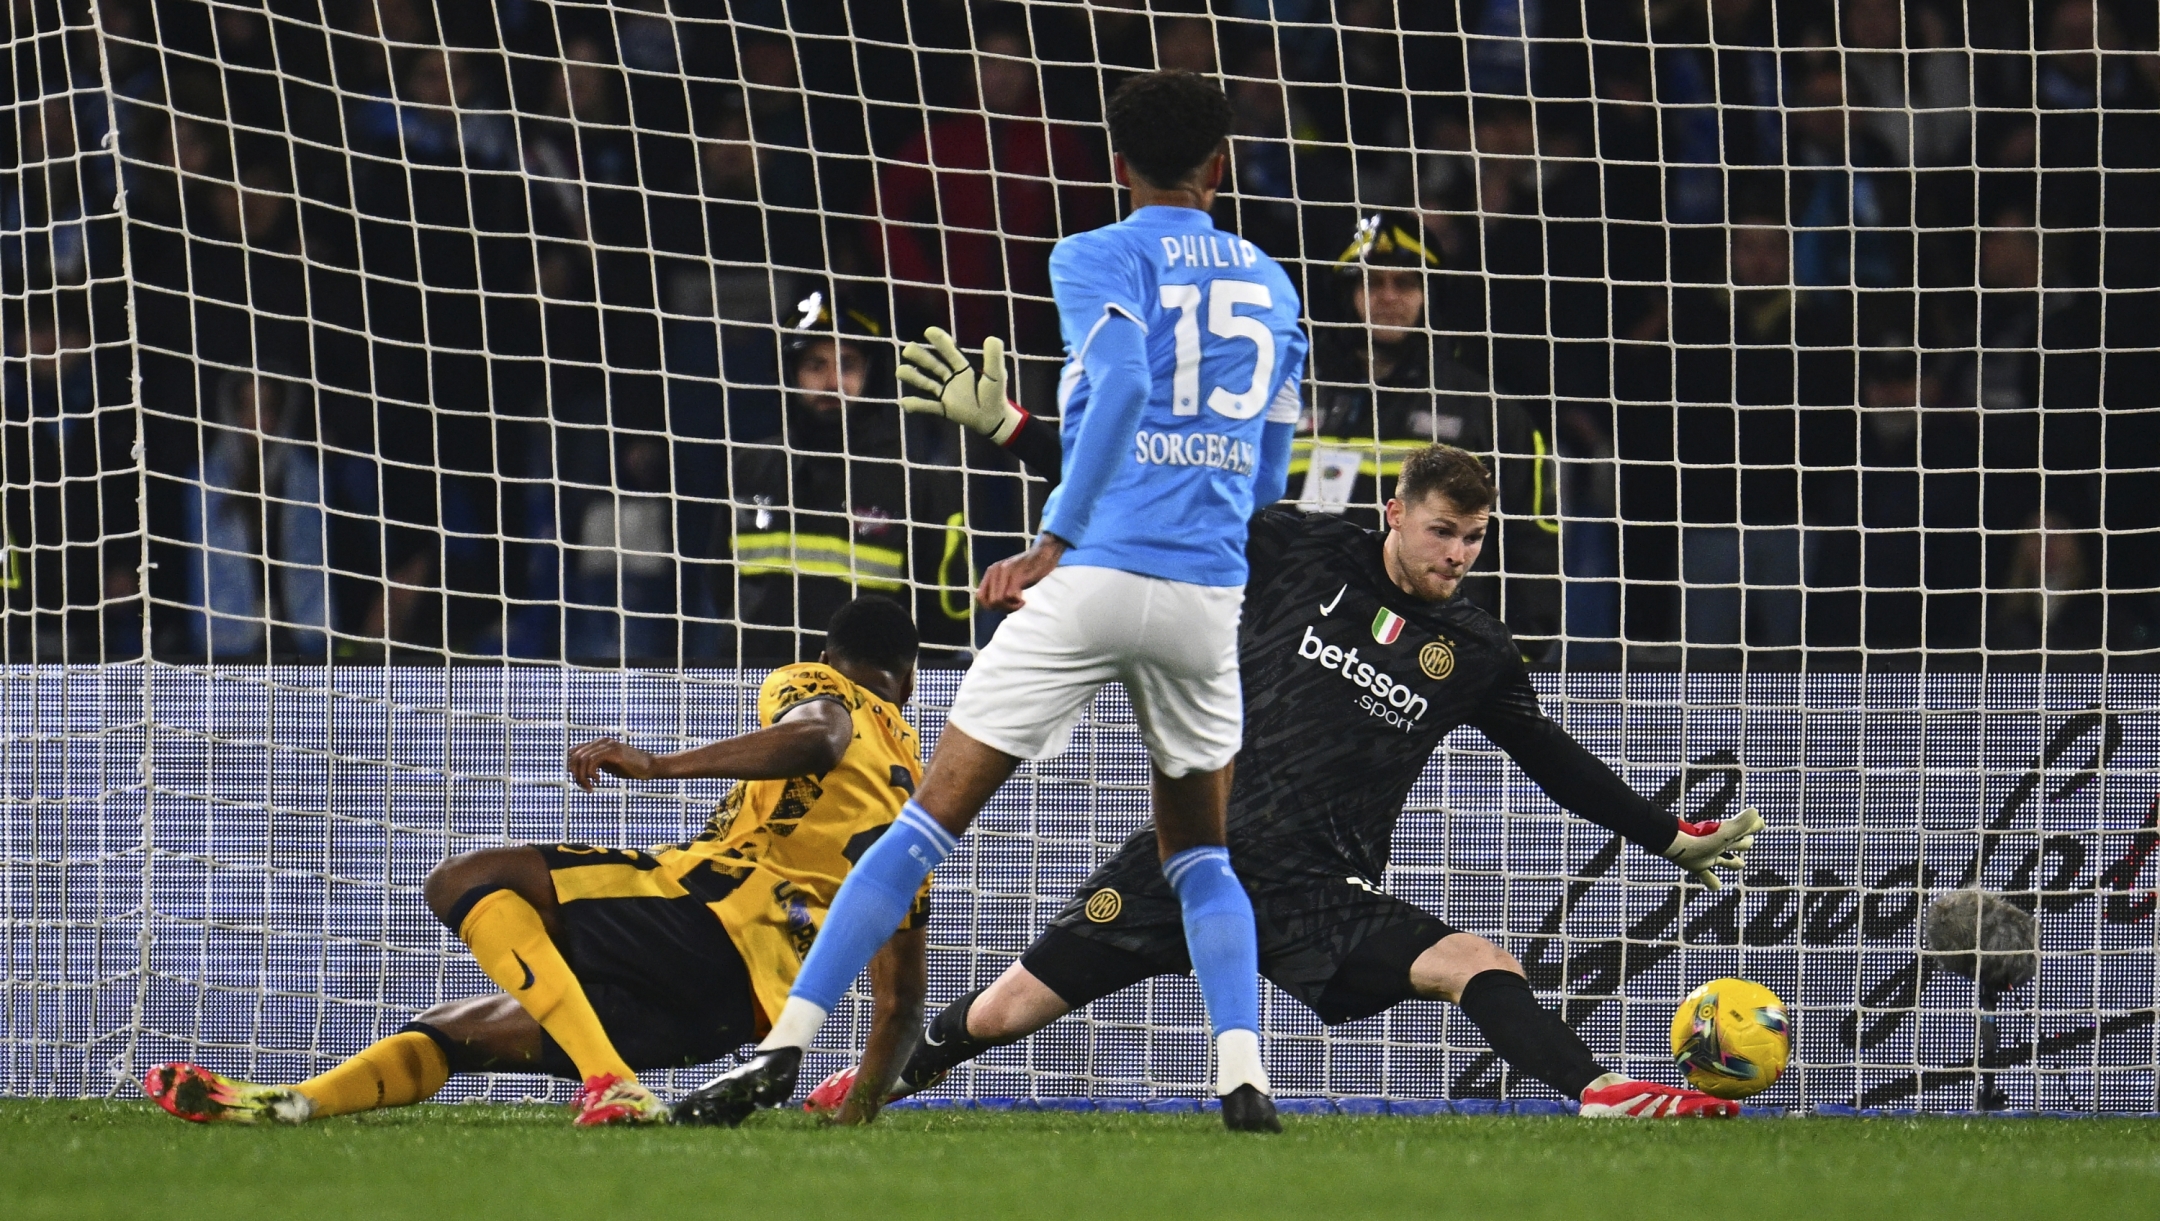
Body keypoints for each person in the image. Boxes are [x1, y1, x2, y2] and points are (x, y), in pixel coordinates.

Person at [674, 70, 1309, 1134]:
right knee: (1200, 854)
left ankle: (785, 1049)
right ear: (1222, 165)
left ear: (1116, 167)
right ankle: (1242, 1072)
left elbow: (1122, 387)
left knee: (924, 828)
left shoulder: (1095, 254)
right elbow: (1265, 480)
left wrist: (1052, 539)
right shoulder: (1275, 285)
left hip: (1095, 576)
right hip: (1205, 596)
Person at [805, 443, 1762, 1119]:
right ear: (1395, 512)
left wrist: (1668, 835)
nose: (1458, 555)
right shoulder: (1301, 550)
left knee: (1477, 961)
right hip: (1194, 846)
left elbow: (1551, 758)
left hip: (1317, 887)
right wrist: (1020, 436)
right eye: (1442, 532)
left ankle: (1602, 1094)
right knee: (1009, 1006)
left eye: (1474, 538)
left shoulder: (1475, 651)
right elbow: (1155, 498)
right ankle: (873, 1080)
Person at [142, 596, 931, 1128]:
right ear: (912, 678)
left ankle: (607, 1079)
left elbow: (819, 731)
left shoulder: (825, 685)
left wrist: (660, 766)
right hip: (729, 1011)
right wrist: (860, 1107)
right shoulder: (922, 811)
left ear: (837, 657)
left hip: (698, 915)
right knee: (466, 1030)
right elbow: (900, 1001)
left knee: (464, 879)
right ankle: (290, 1105)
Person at [1300, 210, 1563, 650]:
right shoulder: (1288, 399)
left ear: (1430, 294)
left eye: (1405, 282)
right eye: (1372, 281)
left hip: (1438, 661)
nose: (1388, 296)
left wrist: (1520, 661)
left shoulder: (1487, 411)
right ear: (1346, 294)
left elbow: (1533, 544)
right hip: (1305, 650)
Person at [712, 287, 971, 661]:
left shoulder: (916, 480)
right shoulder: (748, 466)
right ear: (789, 373)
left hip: (867, 702)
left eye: (847, 364)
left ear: (872, 374)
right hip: (755, 688)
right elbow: (720, 585)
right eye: (816, 365)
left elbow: (948, 620)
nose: (832, 381)